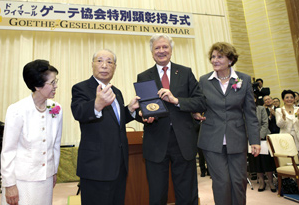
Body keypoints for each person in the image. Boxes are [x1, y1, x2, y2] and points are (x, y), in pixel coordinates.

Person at [136, 34, 206, 205]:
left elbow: (201, 101)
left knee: (187, 193)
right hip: (156, 141)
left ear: (171, 50)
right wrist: (143, 116)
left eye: (165, 47)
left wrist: (176, 100)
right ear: (152, 52)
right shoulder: (144, 76)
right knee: (157, 194)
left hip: (183, 140)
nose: (161, 51)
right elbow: (143, 107)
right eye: (157, 48)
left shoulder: (185, 72)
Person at [194, 42, 261, 205]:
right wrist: (194, 112)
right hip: (211, 140)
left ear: (230, 60)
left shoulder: (243, 79)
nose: (215, 60)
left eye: (220, 56)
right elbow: (197, 103)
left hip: (236, 139)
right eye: (213, 57)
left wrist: (255, 141)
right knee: (222, 182)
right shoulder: (204, 81)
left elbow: (250, 113)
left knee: (238, 182)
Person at [71, 49, 139, 205]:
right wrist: (97, 104)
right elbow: (79, 112)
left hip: (119, 165)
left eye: (109, 62)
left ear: (114, 67)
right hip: (96, 166)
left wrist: (129, 109)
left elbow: (116, 122)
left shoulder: (117, 92)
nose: (104, 65)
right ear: (92, 65)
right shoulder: (81, 88)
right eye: (100, 61)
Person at [1, 59, 63, 205]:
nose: (56, 86)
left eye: (56, 81)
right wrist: (9, 184)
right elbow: (8, 150)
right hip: (21, 181)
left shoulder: (56, 109)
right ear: (37, 86)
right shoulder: (17, 110)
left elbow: (56, 144)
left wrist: (53, 171)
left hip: (45, 179)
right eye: (52, 83)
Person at [253, 95, 276, 192]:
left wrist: (260, 135)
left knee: (267, 160)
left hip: (263, 137)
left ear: (255, 99)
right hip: (251, 139)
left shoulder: (261, 108)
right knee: (257, 161)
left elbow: (265, 123)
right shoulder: (243, 109)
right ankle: (262, 182)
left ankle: (270, 181)